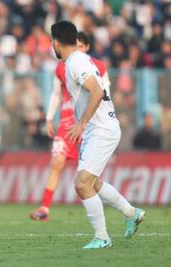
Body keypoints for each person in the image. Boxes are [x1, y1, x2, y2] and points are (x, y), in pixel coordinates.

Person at [50, 21, 145, 249]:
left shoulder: (75, 62)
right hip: (97, 128)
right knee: (92, 182)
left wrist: (81, 123)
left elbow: (97, 90)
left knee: (82, 184)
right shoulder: (78, 60)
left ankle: (102, 237)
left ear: (56, 41)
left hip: (101, 128)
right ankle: (131, 213)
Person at [29, 31, 110, 221]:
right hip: (66, 123)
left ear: (87, 47)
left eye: (82, 46)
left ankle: (106, 206)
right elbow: (57, 93)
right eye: (76, 45)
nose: (78, 49)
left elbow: (105, 92)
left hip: (87, 123)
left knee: (89, 175)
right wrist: (50, 117)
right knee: (56, 162)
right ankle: (45, 208)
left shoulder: (98, 66)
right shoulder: (62, 67)